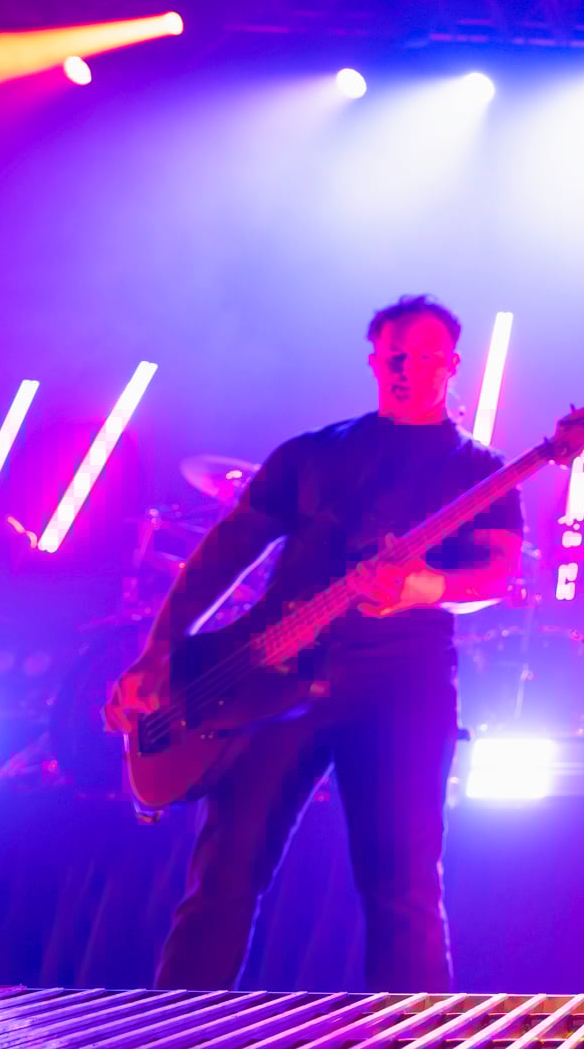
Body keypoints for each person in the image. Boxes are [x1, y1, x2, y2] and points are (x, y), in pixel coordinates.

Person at [104, 295, 523, 992]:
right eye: (393, 353)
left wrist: (425, 588)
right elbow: (224, 551)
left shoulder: (477, 467)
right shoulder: (311, 453)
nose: (406, 367)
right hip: (271, 682)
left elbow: (499, 573)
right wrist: (159, 649)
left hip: (402, 687)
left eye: (423, 356)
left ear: (453, 365)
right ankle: (175, 1028)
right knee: (223, 878)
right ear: (371, 359)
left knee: (403, 890)